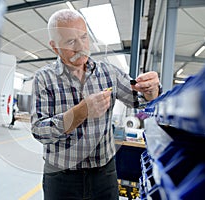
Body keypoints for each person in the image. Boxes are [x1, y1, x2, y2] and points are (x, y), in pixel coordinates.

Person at [31, 9, 160, 200]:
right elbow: (39, 130)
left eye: (83, 37)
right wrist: (80, 112)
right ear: (55, 47)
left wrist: (152, 91)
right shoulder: (43, 78)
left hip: (104, 175)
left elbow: (140, 101)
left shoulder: (109, 73)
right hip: (60, 177)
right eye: (70, 42)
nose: (80, 47)